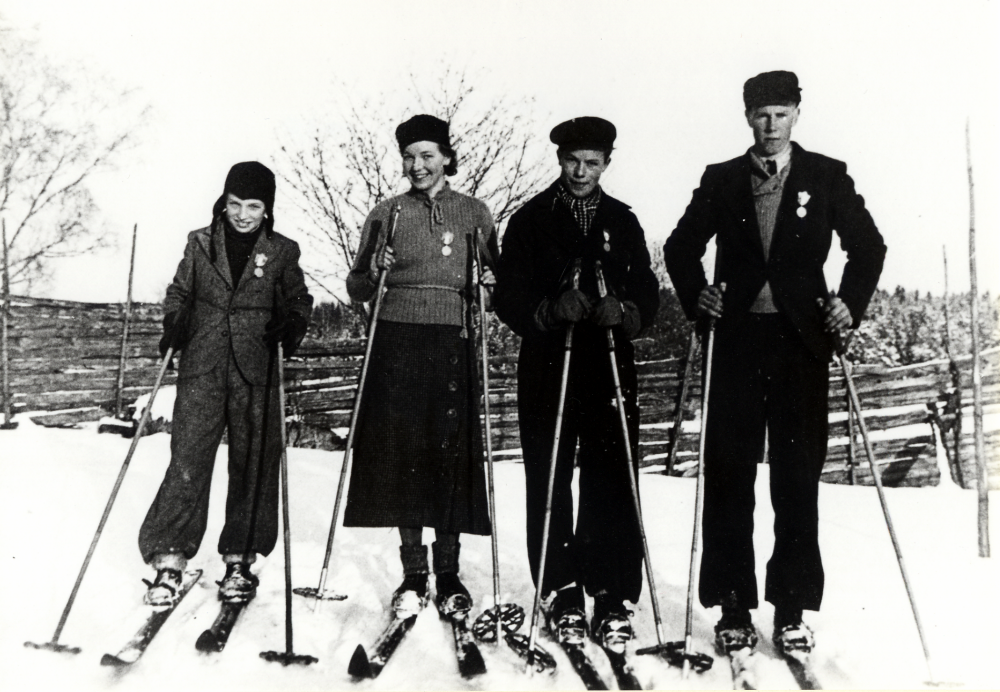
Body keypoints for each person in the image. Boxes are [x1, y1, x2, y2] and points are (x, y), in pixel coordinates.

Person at [664, 71, 886, 656]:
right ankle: (733, 604)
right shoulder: (723, 179)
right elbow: (680, 247)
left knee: (795, 479)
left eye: (780, 114)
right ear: (747, 117)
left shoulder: (825, 175)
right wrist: (699, 296)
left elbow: (869, 247)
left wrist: (847, 304)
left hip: (799, 348)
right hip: (735, 345)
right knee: (730, 475)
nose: (770, 125)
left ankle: (790, 607)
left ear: (796, 115)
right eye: (761, 115)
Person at [494, 117, 660, 650]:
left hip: (607, 360)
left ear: (607, 163)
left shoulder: (622, 221)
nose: (581, 171)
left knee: (612, 476)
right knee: (549, 473)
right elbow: (507, 294)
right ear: (560, 161)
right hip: (549, 360)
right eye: (573, 161)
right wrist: (545, 310)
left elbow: (647, 290)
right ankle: (560, 588)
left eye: (592, 162)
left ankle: (611, 592)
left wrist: (627, 310)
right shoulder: (530, 219)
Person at [139, 161, 313, 606]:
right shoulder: (200, 243)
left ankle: (240, 558)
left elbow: (299, 299)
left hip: (256, 366)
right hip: (203, 362)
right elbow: (180, 291)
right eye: (235, 204)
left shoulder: (282, 250)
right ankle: (170, 558)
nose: (242, 214)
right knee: (188, 457)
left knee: (254, 462)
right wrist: (175, 323)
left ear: (266, 209)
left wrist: (291, 323)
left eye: (253, 206)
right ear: (224, 202)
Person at [343, 115, 496, 616]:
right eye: (409, 156)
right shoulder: (387, 214)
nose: (417, 165)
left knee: (447, 453)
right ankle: (413, 572)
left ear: (447, 157)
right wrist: (374, 270)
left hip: (450, 337)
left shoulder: (474, 212)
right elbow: (357, 286)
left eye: (428, 155)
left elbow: (492, 282)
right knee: (404, 453)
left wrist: (485, 287)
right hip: (396, 337)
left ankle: (448, 571)